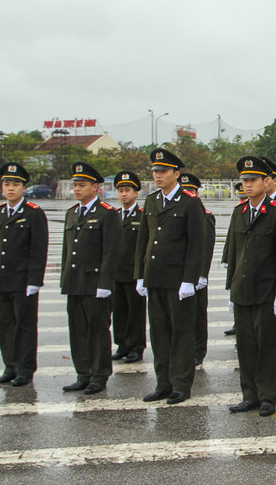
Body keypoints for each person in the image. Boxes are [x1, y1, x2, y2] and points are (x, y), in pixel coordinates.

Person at [134, 148, 208, 405]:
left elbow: (196, 244)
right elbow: (143, 240)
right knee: (160, 333)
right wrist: (140, 276)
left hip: (178, 281)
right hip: (155, 278)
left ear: (176, 173)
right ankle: (163, 383)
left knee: (181, 333)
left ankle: (181, 384)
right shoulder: (152, 201)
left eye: (163, 171)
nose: (158, 175)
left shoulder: (190, 202)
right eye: (155, 171)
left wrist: (190, 279)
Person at [225, 156, 276, 416]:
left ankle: (268, 396)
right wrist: (231, 287)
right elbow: (234, 253)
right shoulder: (239, 212)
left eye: (253, 180)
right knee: (246, 346)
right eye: (245, 180)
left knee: (268, 347)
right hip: (243, 291)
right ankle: (249, 394)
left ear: (266, 182)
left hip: (267, 292)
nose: (248, 185)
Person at [0, 162, 48, 387]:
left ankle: (25, 369)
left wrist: (35, 280)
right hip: (1, 278)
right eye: (7, 184)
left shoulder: (33, 213)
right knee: (6, 324)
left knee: (25, 326)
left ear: (23, 188)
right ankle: (10, 366)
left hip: (22, 280)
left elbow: (39, 249)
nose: (11, 188)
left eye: (16, 184)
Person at [60, 162, 121, 395]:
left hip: (96, 284)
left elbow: (111, 252)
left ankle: (99, 375)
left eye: (82, 185)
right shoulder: (72, 213)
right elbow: (67, 251)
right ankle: (83, 373)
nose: (77, 189)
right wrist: (65, 279)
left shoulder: (107, 213)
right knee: (77, 331)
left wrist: (105, 284)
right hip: (75, 282)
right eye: (75, 185)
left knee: (97, 331)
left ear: (95, 187)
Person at [177, 172, 215, 366]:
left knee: (198, 315)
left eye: (191, 190)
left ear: (196, 192)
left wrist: (202, 274)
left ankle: (198, 350)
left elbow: (206, 247)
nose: (188, 193)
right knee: (182, 316)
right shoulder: (177, 211)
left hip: (197, 276)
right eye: (184, 190)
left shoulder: (204, 215)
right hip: (179, 274)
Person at [111, 172, 146, 363]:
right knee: (119, 311)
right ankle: (122, 344)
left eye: (127, 190)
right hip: (117, 272)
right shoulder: (114, 216)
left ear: (136, 193)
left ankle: (136, 347)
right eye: (121, 190)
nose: (124, 194)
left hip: (134, 273)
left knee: (135, 312)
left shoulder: (142, 216)